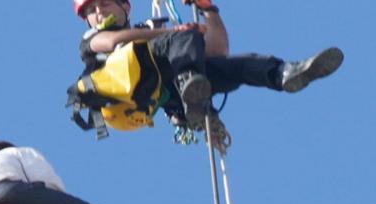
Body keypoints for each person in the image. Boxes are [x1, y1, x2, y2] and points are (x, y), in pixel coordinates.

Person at [70, 0, 343, 131]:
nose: (99, 12)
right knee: (185, 39)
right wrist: (176, 32)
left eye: (104, 4)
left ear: (125, 7)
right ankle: (193, 91)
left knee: (235, 66)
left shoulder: (154, 32)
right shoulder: (90, 41)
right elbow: (114, 40)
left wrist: (208, 10)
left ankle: (284, 74)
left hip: (165, 85)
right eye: (91, 11)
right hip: (133, 89)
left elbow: (217, 49)